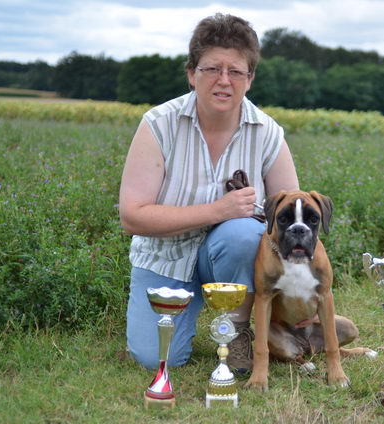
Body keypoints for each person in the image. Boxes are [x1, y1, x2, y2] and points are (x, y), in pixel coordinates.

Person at [119, 13, 299, 374]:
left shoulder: (267, 133)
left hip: (234, 259)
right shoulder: (158, 124)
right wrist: (219, 210)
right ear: (191, 74)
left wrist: (302, 296)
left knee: (244, 233)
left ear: (250, 79)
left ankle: (238, 331)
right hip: (165, 258)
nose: (224, 80)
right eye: (212, 69)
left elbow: (292, 216)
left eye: (236, 71)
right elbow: (132, 216)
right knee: (155, 359)